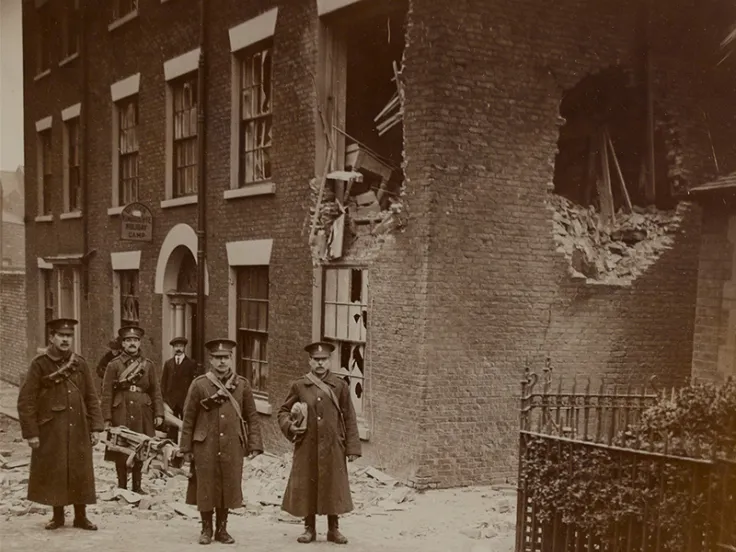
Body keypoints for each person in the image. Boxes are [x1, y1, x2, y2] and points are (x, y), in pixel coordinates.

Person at [16, 318, 104, 531]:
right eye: (61, 336)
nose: (65, 340)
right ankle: (58, 516)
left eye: (69, 336)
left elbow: (91, 396)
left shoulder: (80, 363)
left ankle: (81, 516)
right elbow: (26, 400)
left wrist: (96, 427)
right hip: (52, 428)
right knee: (56, 470)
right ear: (52, 337)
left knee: (80, 469)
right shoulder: (40, 364)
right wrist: (31, 433)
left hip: (79, 426)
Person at [179, 338, 264, 545]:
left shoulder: (241, 385)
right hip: (205, 444)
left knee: (228, 484)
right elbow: (188, 417)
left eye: (225, 358)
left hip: (232, 444)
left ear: (231, 359)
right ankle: (206, 528)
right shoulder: (200, 384)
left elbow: (252, 416)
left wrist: (254, 444)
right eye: (217, 358)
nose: (222, 362)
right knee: (206, 485)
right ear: (211, 360)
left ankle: (222, 529)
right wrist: (185, 448)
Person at [278, 341, 361, 545]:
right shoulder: (299, 385)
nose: (320, 364)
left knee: (333, 485)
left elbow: (349, 417)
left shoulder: (340, 386)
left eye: (324, 360)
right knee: (308, 484)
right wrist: (290, 426)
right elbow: (283, 412)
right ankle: (309, 528)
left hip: (333, 445)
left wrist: (352, 447)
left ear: (329, 361)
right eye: (316, 360)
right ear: (310, 361)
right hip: (307, 444)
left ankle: (334, 529)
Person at [101, 325, 164, 494]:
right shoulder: (114, 365)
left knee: (142, 447)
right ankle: (122, 486)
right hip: (121, 409)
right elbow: (106, 392)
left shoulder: (148, 365)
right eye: (128, 340)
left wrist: (159, 413)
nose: (132, 343)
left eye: (135, 340)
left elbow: (156, 391)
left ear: (139, 343)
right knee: (121, 447)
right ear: (122, 343)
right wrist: (106, 417)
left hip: (143, 410)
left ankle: (137, 486)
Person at [161, 336, 197, 443]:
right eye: (176, 346)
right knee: (172, 424)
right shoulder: (168, 363)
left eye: (180, 346)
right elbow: (163, 382)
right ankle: (171, 445)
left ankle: (185, 444)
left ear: (184, 347)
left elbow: (194, 383)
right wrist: (164, 400)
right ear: (173, 348)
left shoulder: (191, 363)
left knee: (186, 423)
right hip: (171, 401)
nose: (178, 348)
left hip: (185, 400)